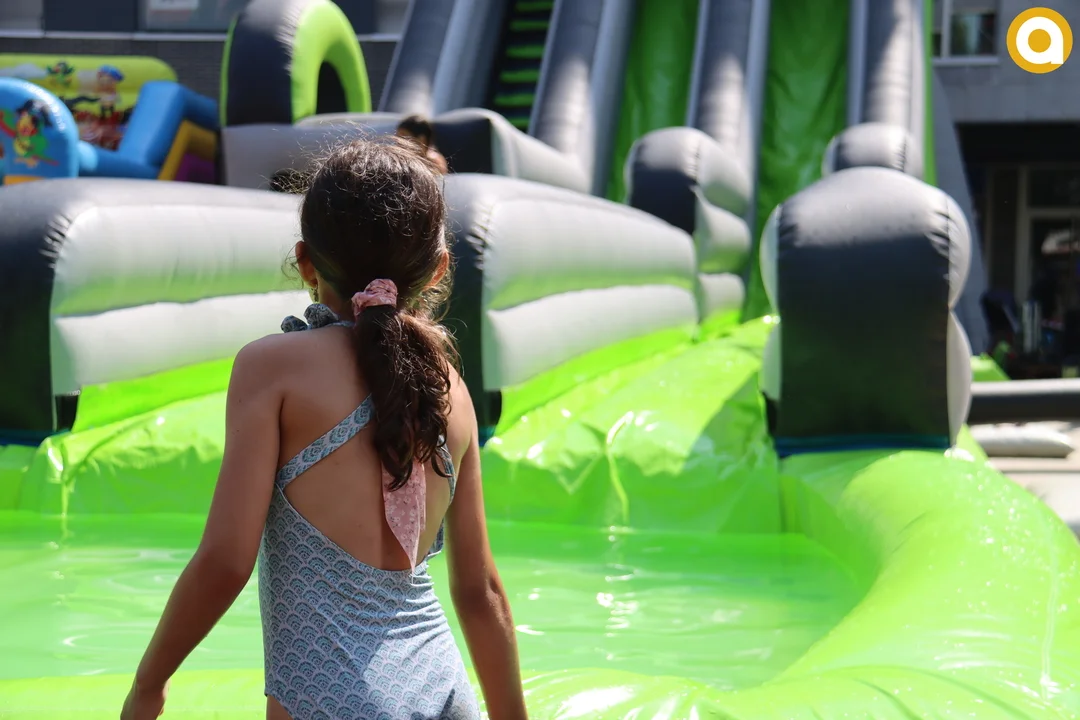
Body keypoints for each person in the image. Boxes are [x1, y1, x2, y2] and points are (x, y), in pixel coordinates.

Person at [121, 138, 527, 720]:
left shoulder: (272, 368)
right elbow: (480, 591)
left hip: (329, 698)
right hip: (445, 691)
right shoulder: (450, 390)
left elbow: (227, 561)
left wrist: (150, 683)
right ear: (438, 269)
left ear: (305, 261)